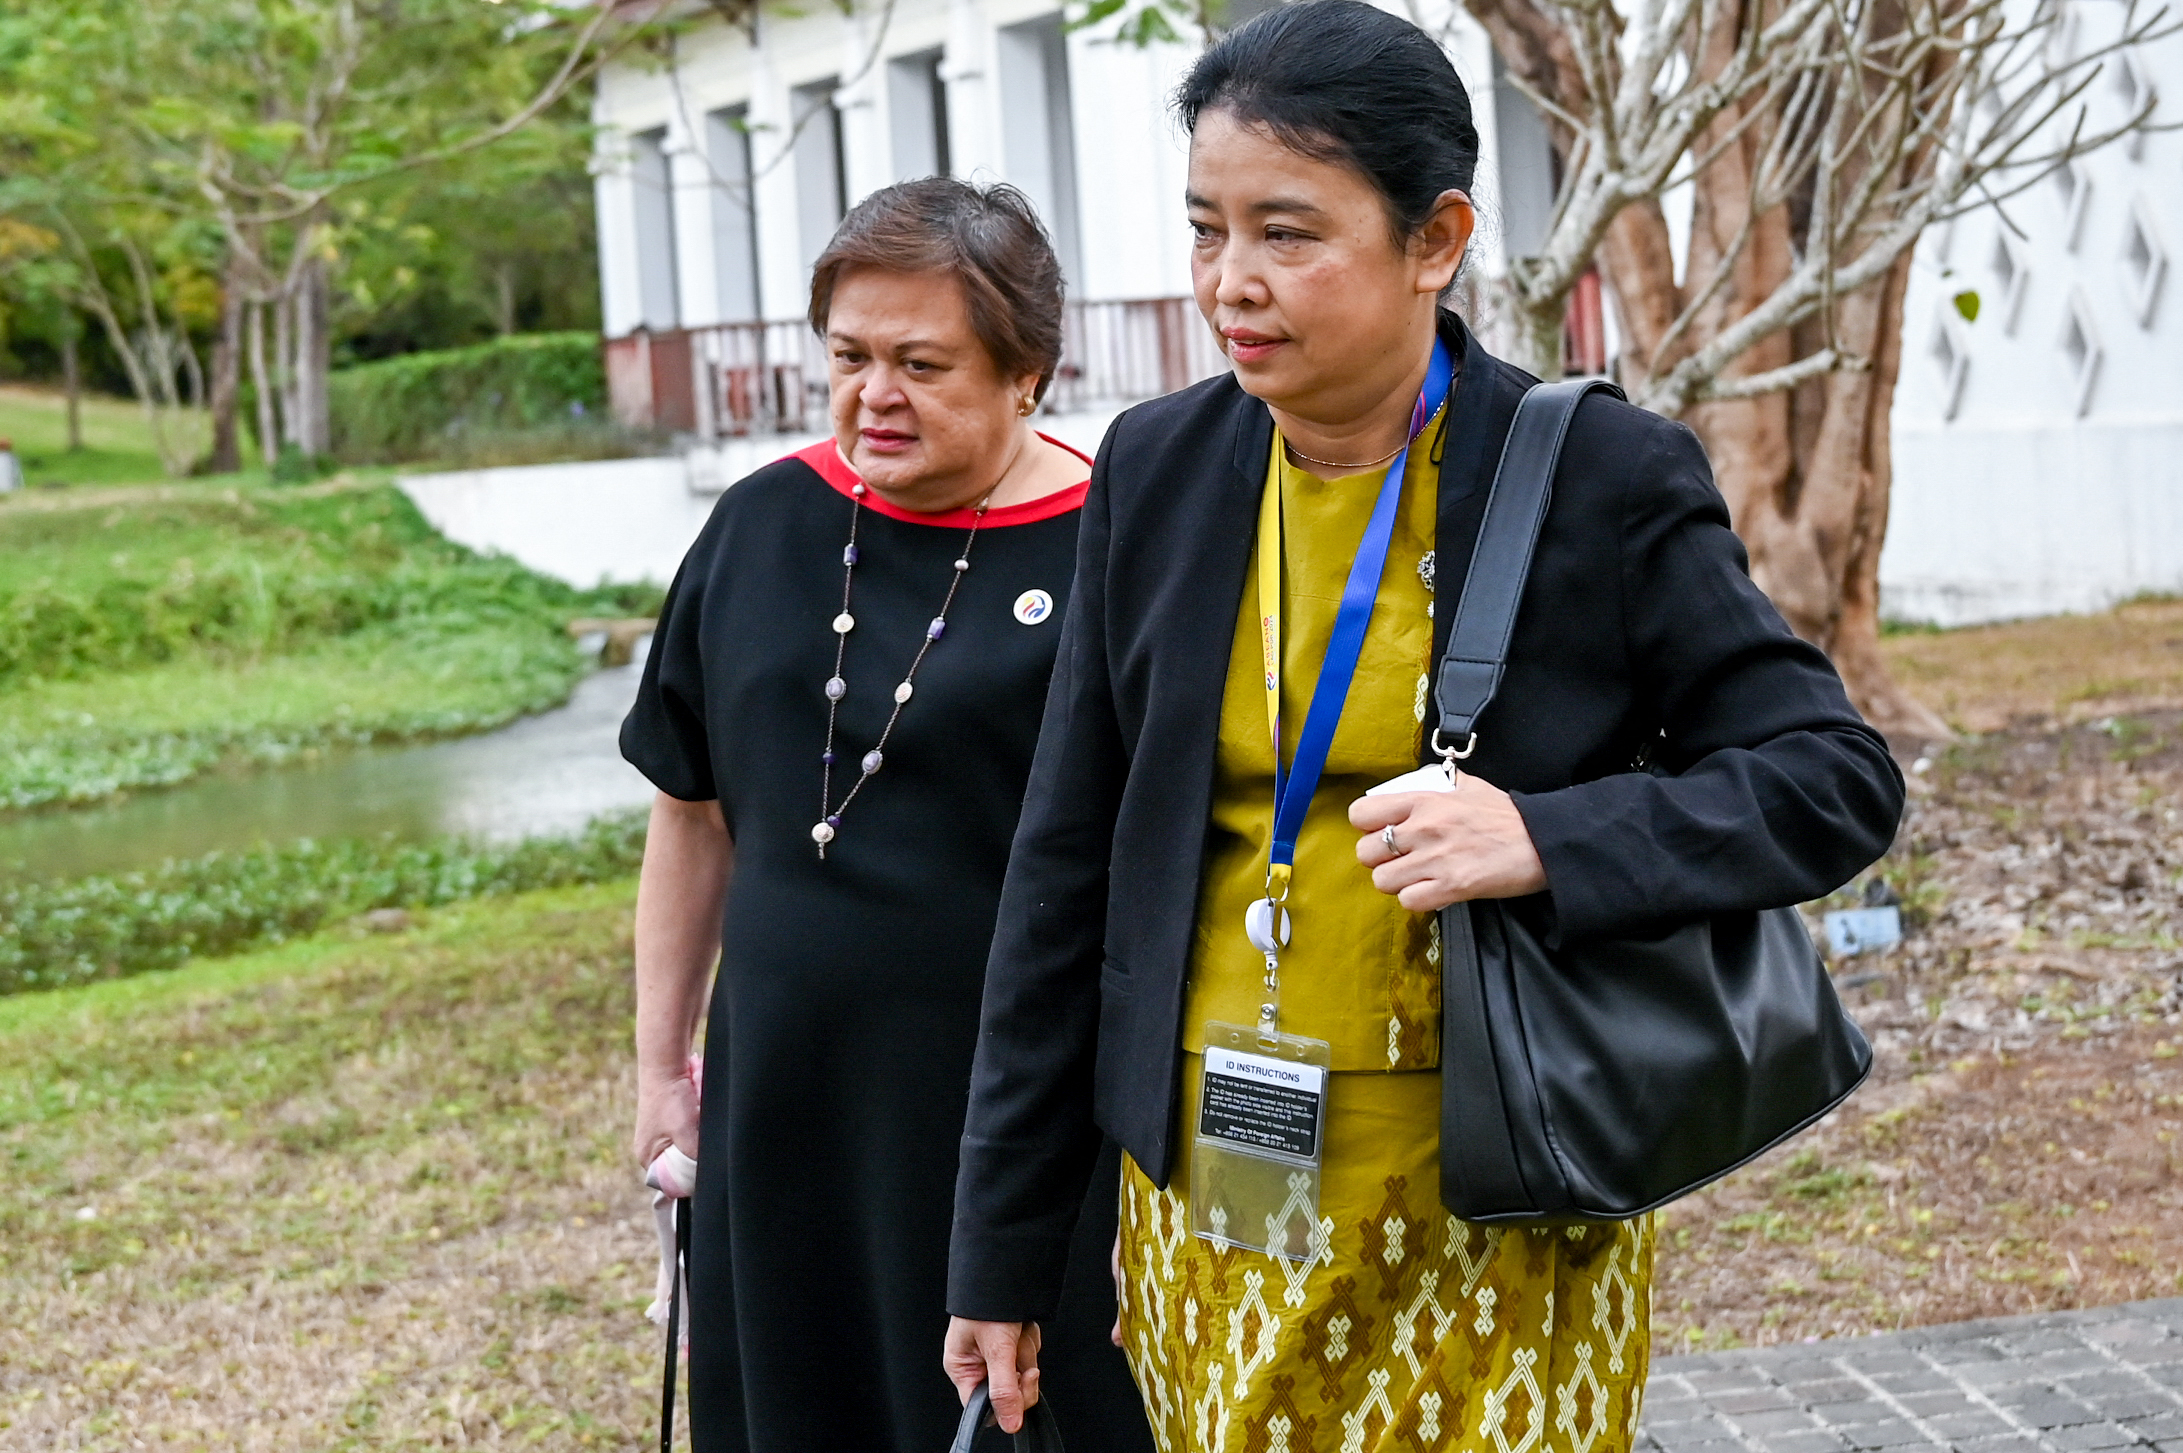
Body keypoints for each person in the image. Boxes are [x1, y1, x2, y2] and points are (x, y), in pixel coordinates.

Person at [941, 5, 1907, 1449]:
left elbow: (1831, 782)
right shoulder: (1156, 469)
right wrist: (999, 1254)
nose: (1230, 283)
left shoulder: (1591, 475)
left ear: (1434, 237)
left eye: (1287, 233)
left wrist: (1543, 836)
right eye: (1205, 231)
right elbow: (1060, 864)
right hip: (1212, 1194)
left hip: (1490, 1194)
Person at [623, 177, 1152, 1453]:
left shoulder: (1109, 546)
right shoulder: (757, 523)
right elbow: (690, 815)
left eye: (922, 363)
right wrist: (658, 1065)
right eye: (849, 357)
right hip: (782, 1089)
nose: (875, 394)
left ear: (1028, 373)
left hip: (1008, 1107)